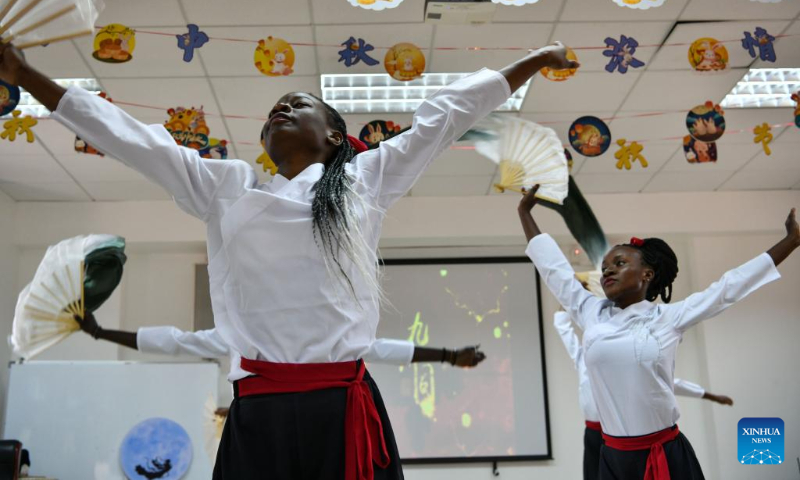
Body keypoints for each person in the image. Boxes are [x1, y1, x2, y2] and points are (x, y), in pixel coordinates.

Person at [0, 39, 578, 479]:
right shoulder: (227, 186)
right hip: (261, 411)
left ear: (333, 136)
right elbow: (133, 138)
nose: (280, 108)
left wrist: (533, 60)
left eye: (298, 105)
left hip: (343, 408)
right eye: (276, 107)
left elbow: (445, 118)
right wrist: (25, 76)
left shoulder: (364, 178)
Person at [519, 185, 797, 479]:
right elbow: (553, 269)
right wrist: (524, 212)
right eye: (605, 267)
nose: (608, 271)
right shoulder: (590, 312)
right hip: (613, 457)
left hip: (664, 453)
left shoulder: (668, 317)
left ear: (647, 275)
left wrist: (790, 242)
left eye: (620, 263)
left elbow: (728, 288)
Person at [553, 310, 733, 480]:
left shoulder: (626, 364)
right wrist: (563, 305)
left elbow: (671, 384)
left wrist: (709, 395)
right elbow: (564, 329)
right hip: (596, 436)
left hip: (627, 439)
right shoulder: (584, 361)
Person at [75, 311, 487, 368]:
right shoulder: (241, 329)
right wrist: (101, 333)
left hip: (324, 423)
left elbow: (378, 349)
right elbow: (174, 341)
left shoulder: (327, 327)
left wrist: (449, 355)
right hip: (261, 426)